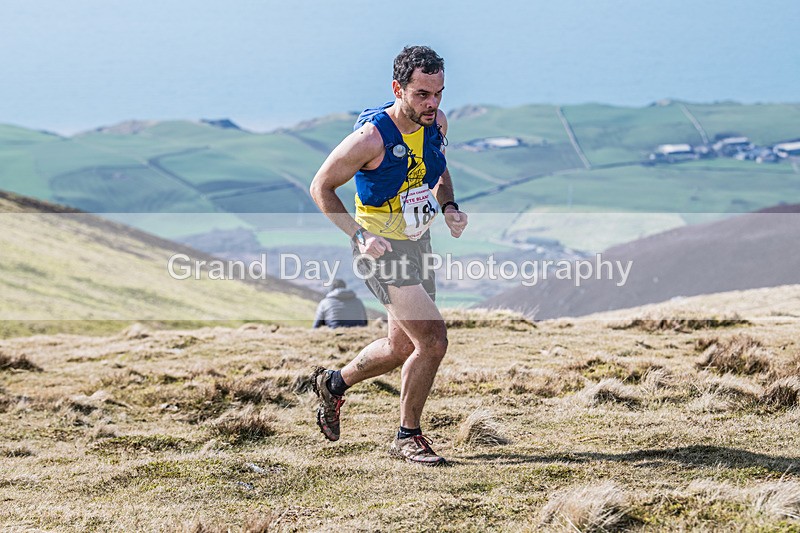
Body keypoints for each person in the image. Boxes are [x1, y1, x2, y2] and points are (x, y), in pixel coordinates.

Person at [308, 45, 468, 465]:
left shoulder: (436, 123)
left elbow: (439, 166)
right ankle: (406, 436)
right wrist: (359, 235)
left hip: (417, 243)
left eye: (438, 93)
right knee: (433, 342)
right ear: (398, 89)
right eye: (421, 95)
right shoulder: (370, 139)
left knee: (401, 347)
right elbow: (320, 188)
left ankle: (333, 383)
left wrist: (448, 205)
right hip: (380, 250)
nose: (432, 104)